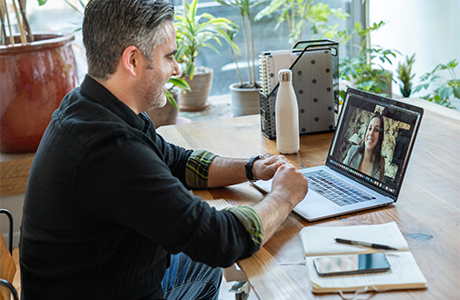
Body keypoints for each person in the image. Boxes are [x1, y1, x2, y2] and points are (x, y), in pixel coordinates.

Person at [19, 0, 308, 299]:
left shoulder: (91, 105)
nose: (177, 68)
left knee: (202, 262)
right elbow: (221, 240)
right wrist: (284, 196)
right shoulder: (109, 150)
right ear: (132, 61)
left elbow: (178, 162)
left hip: (108, 277)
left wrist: (252, 167)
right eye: (169, 56)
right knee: (222, 255)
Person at [343, 113, 385, 180]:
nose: (371, 133)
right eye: (370, 128)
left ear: (380, 137)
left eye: (376, 130)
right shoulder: (353, 150)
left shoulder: (381, 161)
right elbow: (341, 173)